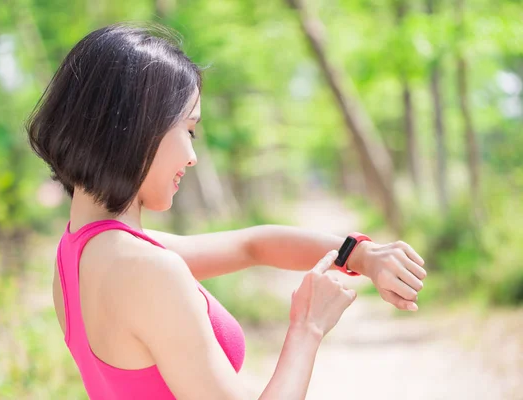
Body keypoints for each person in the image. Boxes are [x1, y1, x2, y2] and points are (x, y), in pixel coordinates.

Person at [26, 23, 427, 400]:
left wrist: (361, 255)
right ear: (136, 128)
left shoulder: (77, 253)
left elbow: (252, 245)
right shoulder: (146, 271)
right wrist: (308, 328)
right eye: (188, 129)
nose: (192, 155)